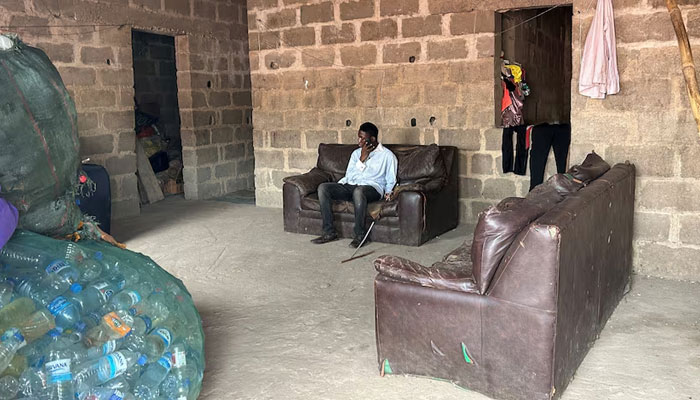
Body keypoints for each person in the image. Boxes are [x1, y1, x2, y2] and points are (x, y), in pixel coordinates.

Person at [311, 122, 397, 248]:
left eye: (362, 138)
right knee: (324, 188)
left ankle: (360, 236)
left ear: (372, 139)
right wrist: (362, 159)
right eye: (359, 137)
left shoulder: (387, 155)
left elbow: (391, 178)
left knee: (359, 191)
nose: (359, 141)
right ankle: (329, 232)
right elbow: (349, 176)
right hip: (352, 186)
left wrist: (389, 192)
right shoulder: (356, 153)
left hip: (372, 188)